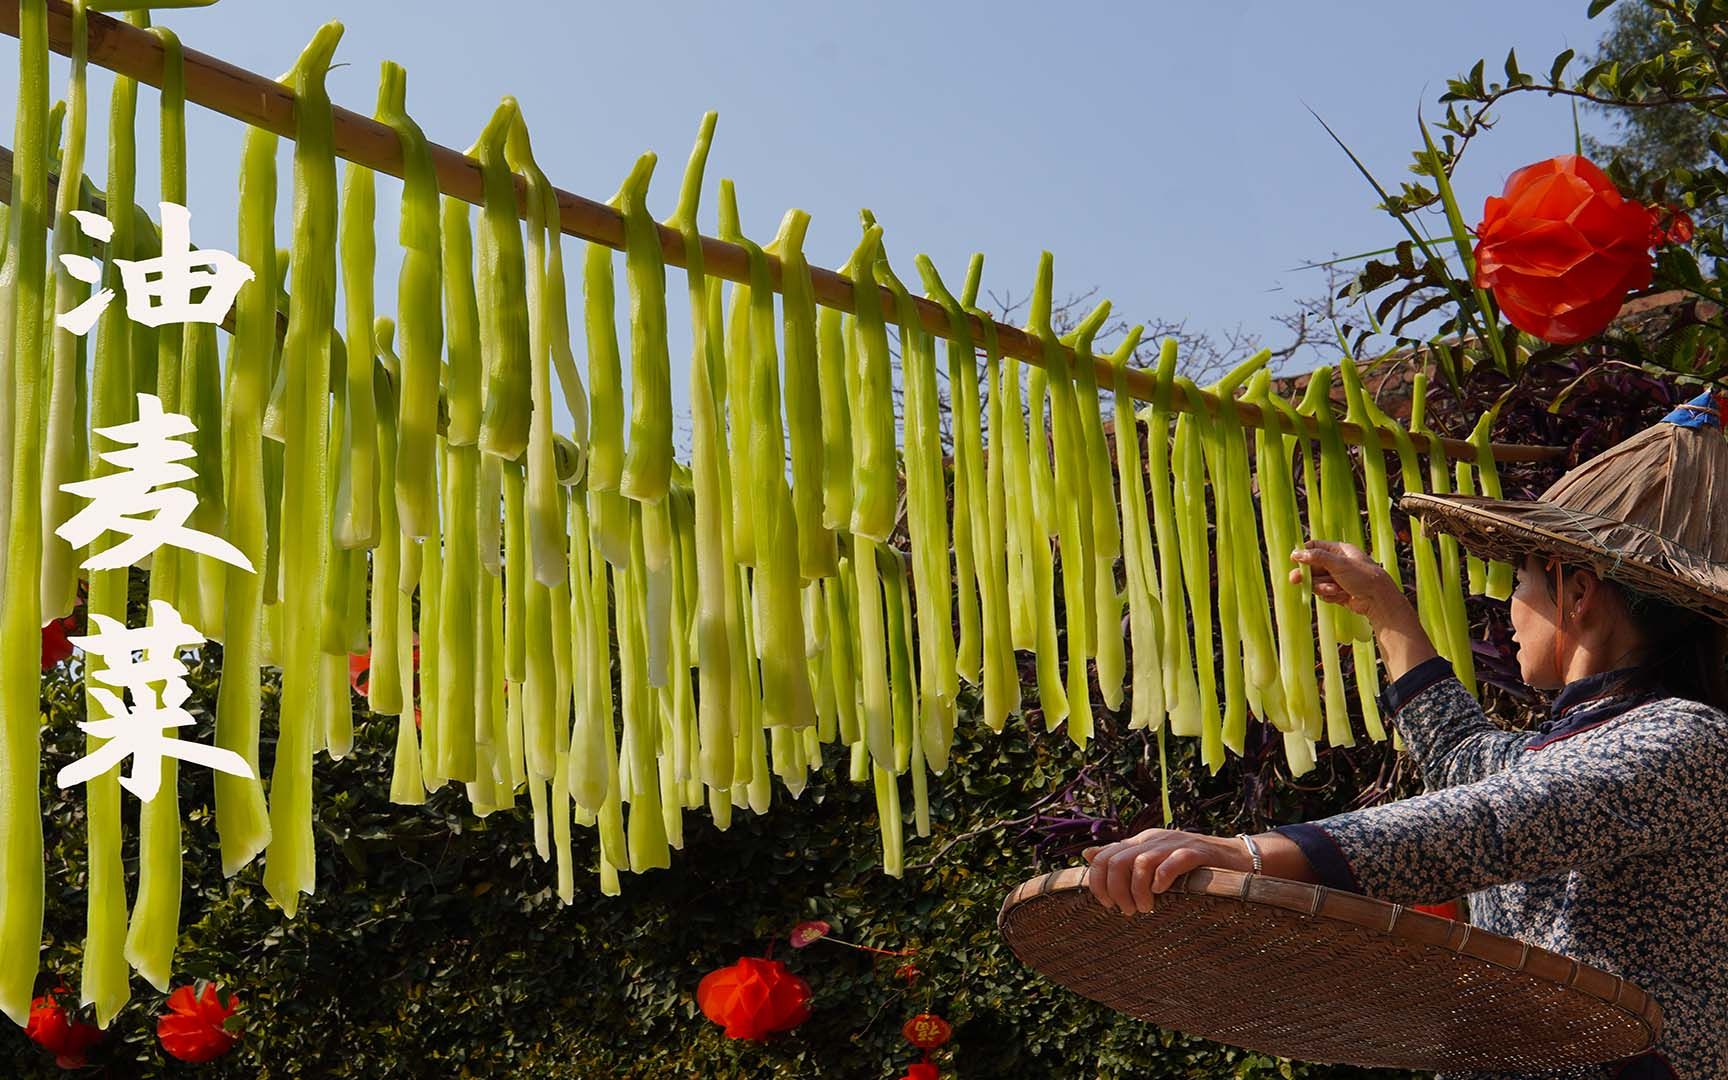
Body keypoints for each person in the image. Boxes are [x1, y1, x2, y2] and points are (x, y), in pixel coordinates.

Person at [1080, 391, 1728, 1079]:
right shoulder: (1580, 746)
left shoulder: (1687, 741)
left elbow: (1489, 822)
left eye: (1521, 580)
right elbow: (1465, 761)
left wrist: (1243, 852)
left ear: (1576, 593)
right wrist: (1385, 609)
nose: (1509, 607)